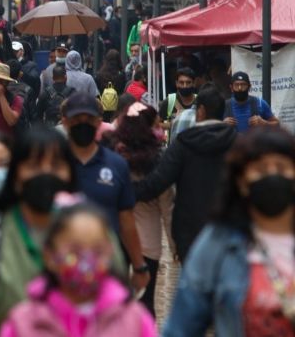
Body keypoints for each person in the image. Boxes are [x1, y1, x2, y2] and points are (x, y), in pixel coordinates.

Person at [163, 126, 295, 337]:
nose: (272, 175)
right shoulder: (218, 241)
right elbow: (182, 326)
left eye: (281, 168)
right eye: (260, 170)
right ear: (242, 182)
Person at [0, 126, 78, 335]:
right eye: (34, 165)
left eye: (56, 165)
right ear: (16, 177)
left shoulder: (89, 232)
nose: (45, 173)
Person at [0, 203, 156, 337]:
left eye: (97, 251)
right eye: (75, 250)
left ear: (110, 253)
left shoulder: (134, 319)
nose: (87, 260)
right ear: (49, 256)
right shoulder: (24, 322)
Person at [133, 84, 238, 261]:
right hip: (230, 230)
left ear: (201, 111)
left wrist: (126, 191)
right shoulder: (239, 144)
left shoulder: (184, 144)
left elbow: (159, 181)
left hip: (190, 232)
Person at [60, 92, 149, 295]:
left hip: (108, 265)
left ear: (99, 122)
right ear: (65, 122)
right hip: (61, 266)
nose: (83, 124)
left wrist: (139, 265)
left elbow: (126, 219)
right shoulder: (55, 163)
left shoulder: (116, 165)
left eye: (89, 119)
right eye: (77, 119)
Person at [102, 102, 173, 318]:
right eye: (155, 125)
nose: (159, 129)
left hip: (116, 237)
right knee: (146, 302)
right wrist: (174, 242)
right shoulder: (157, 161)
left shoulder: (111, 156)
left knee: (115, 300)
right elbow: (167, 205)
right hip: (148, 240)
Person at [159, 67, 198, 136]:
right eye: (181, 82)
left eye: (188, 82)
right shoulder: (169, 101)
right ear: (176, 83)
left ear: (194, 83)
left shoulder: (199, 101)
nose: (184, 86)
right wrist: (173, 124)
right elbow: (155, 124)